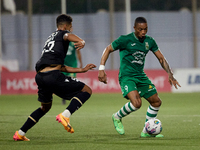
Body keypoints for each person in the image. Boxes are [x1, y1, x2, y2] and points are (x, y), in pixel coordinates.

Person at [13, 14, 96, 141]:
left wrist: (82, 69)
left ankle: (20, 133)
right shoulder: (63, 34)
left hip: (41, 76)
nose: (71, 29)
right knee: (87, 90)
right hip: (52, 76)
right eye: (70, 27)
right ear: (65, 26)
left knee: (44, 107)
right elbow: (67, 35)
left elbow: (61, 67)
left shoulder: (50, 39)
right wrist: (82, 41)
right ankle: (65, 115)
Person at [98, 17, 180, 137]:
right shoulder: (125, 39)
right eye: (140, 29)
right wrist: (101, 69)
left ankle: (146, 131)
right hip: (127, 76)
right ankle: (116, 117)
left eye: (145, 29)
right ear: (134, 28)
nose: (143, 32)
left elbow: (161, 58)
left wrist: (170, 73)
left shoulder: (149, 41)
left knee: (156, 102)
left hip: (140, 76)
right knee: (137, 103)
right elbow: (108, 49)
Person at [62, 29, 83, 105]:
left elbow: (78, 52)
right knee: (64, 81)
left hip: (73, 64)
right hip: (64, 64)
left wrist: (80, 62)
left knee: (72, 81)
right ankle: (64, 98)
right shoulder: (62, 40)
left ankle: (73, 97)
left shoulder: (74, 41)